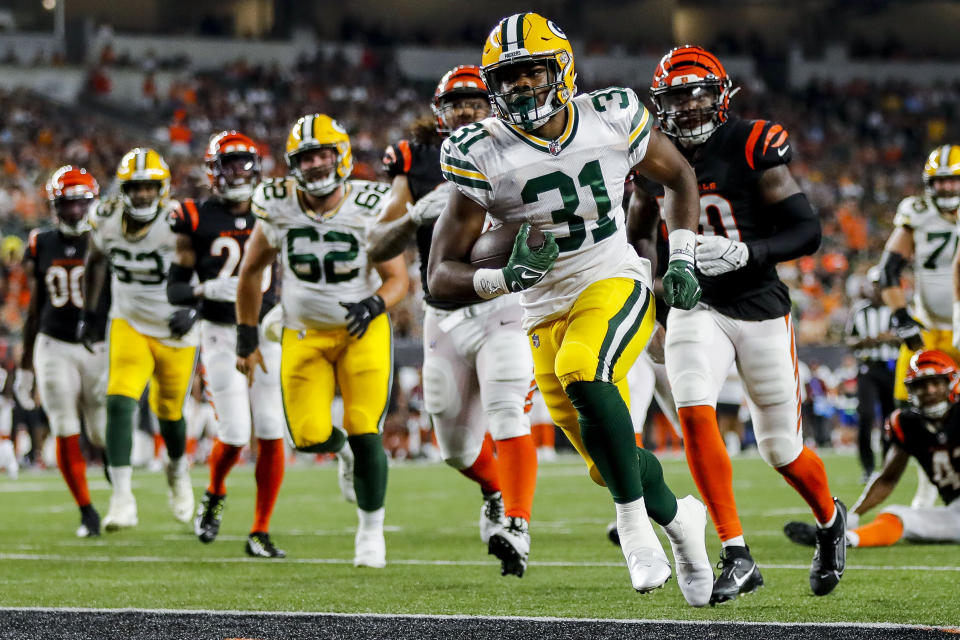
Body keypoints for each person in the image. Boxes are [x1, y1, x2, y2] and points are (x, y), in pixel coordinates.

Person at [427, 13, 713, 607]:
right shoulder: (480, 151)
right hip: (539, 308)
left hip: (612, 278)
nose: (522, 86)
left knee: (587, 370)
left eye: (533, 70)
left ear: (561, 68)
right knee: (613, 460)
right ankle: (682, 522)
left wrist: (680, 259)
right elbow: (439, 276)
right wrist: (501, 277)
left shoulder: (610, 116)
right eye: (508, 77)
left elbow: (681, 177)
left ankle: (635, 529)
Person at [631, 45, 845, 602]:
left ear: (721, 97)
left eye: (700, 94)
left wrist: (748, 253)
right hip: (693, 304)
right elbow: (636, 235)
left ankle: (829, 519)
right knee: (694, 410)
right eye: (678, 97)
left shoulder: (751, 143)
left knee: (781, 449)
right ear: (662, 104)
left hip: (759, 304)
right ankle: (736, 552)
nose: (691, 107)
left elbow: (806, 231)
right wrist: (650, 302)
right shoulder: (652, 155)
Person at [367, 65, 539, 577]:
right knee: (455, 449)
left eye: (476, 101)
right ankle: (494, 491)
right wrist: (414, 215)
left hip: (504, 301)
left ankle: (518, 523)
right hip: (444, 311)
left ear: (495, 105)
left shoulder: (520, 145)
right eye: (456, 102)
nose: (466, 110)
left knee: (509, 409)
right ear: (438, 111)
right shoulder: (414, 160)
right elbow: (376, 245)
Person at [236, 114, 408, 569]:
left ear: (341, 155)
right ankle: (341, 451)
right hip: (303, 331)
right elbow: (251, 271)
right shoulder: (277, 204)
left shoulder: (371, 203)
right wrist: (246, 337)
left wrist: (373, 306)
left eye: (321, 154)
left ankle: (370, 532)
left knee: (364, 425)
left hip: (360, 332)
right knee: (309, 437)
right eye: (305, 157)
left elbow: (397, 278)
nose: (313, 164)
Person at [167, 131, 287, 558]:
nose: (237, 172)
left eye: (243, 163)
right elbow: (176, 290)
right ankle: (214, 493)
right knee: (235, 433)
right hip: (220, 335)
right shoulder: (195, 217)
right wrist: (206, 290)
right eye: (229, 164)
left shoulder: (274, 210)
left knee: (272, 428)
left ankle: (260, 530)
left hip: (268, 332)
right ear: (212, 171)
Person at [82, 148, 197, 532]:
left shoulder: (178, 221)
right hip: (128, 321)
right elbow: (93, 261)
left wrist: (195, 306)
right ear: (124, 188)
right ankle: (122, 499)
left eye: (150, 187)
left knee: (170, 414)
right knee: (118, 400)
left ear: (162, 189)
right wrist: (91, 311)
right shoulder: (107, 218)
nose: (144, 195)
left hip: (174, 328)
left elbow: (207, 264)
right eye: (137, 187)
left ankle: (178, 472)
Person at [15, 166, 109, 537]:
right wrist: (25, 365)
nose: (73, 211)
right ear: (55, 206)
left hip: (97, 344)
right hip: (53, 344)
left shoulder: (104, 240)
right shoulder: (41, 242)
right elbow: (35, 309)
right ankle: (87, 511)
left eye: (79, 203)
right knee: (65, 427)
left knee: (102, 432)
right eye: (66, 204)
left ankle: (111, 474)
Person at [785, 350, 960, 548]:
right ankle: (844, 541)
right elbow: (887, 478)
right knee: (896, 516)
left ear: (951, 382)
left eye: (936, 382)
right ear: (911, 390)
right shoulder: (907, 424)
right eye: (921, 385)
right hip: (956, 510)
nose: (929, 390)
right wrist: (853, 515)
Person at [884, 144, 960, 509]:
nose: (946, 190)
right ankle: (929, 484)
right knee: (911, 408)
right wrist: (901, 317)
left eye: (953, 182)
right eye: (940, 183)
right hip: (929, 327)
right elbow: (888, 270)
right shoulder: (917, 212)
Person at [846, 267, 898, 482]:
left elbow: (912, 336)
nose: (878, 290)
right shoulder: (860, 310)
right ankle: (868, 467)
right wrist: (864, 341)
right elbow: (849, 341)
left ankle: (888, 464)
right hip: (868, 368)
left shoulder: (898, 310)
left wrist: (892, 337)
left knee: (890, 418)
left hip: (891, 367)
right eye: (876, 285)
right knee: (866, 416)